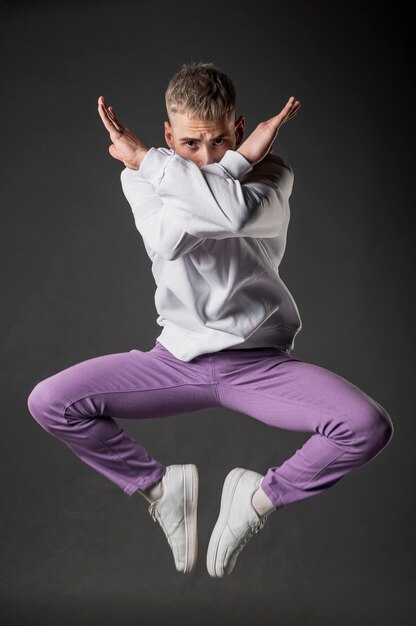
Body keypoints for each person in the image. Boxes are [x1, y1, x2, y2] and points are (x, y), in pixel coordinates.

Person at [27, 62, 394, 578]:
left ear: (239, 129)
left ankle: (258, 499)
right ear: (168, 136)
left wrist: (152, 162)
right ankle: (160, 488)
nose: (205, 157)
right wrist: (190, 165)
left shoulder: (272, 173)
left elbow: (235, 217)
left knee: (366, 426)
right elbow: (169, 241)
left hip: (259, 366)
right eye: (189, 146)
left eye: (220, 142)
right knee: (51, 401)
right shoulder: (146, 177)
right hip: (174, 362)